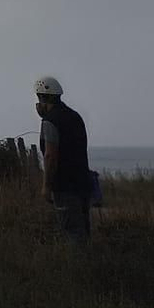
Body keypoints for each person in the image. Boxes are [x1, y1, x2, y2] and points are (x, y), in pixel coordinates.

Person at [34, 75, 92, 242]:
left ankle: (77, 267)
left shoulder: (50, 121)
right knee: (84, 231)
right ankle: (91, 264)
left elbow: (50, 156)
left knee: (72, 233)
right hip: (83, 182)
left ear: (42, 98)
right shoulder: (75, 117)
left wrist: (46, 186)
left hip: (64, 187)